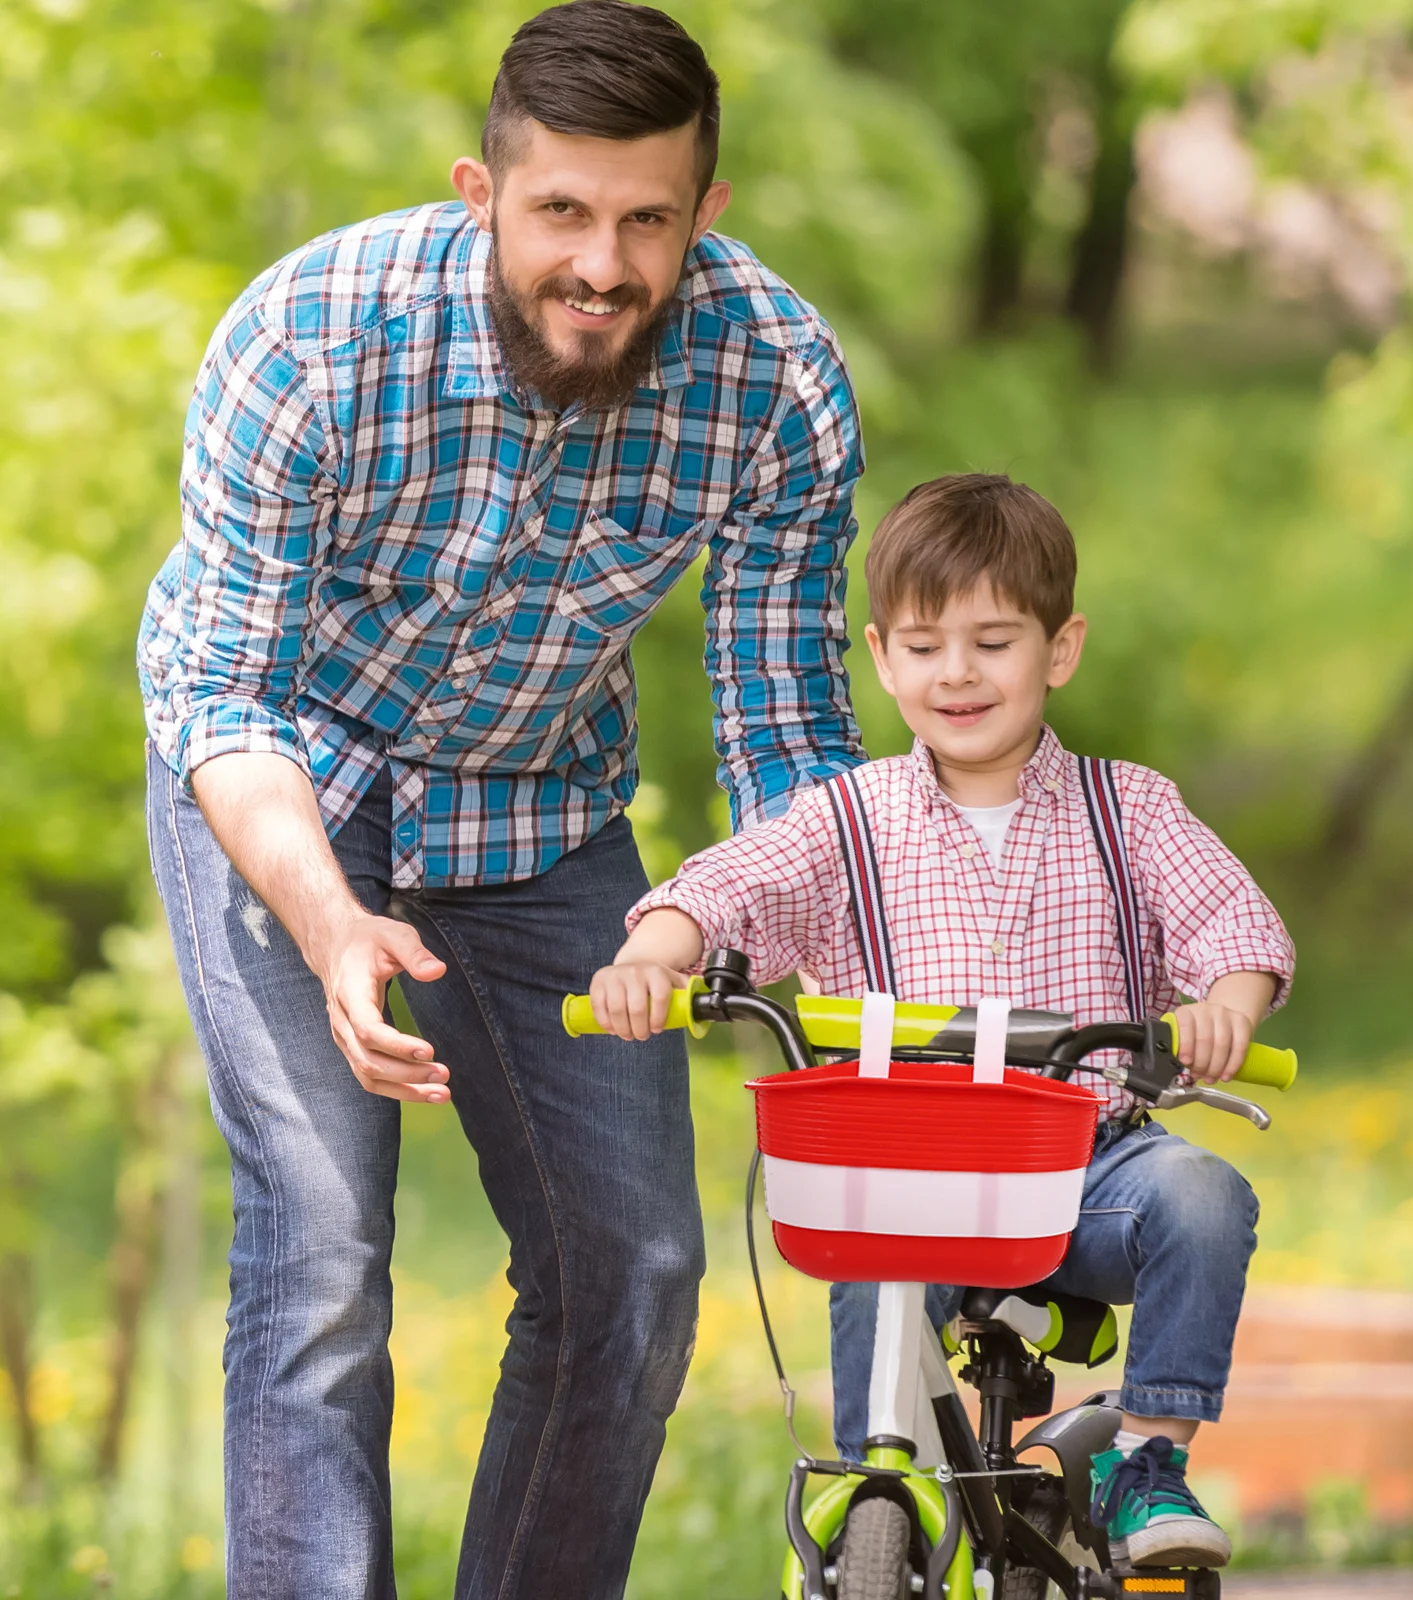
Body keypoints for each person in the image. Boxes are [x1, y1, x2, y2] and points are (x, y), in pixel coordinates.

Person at [137, 3, 865, 1595]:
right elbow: (226, 698)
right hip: (292, 771)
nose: (601, 264)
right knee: (323, 1250)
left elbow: (783, 725)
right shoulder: (310, 338)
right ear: (483, 193)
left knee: (638, 1273)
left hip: (542, 800)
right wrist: (330, 921)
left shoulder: (777, 384)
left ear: (706, 213)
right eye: (561, 212)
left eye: (646, 221)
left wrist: (830, 944)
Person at [588, 472, 1296, 1570]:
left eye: (993, 642)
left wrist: (1222, 1010)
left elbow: (1234, 927)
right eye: (924, 646)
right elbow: (732, 886)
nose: (957, 672)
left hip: (1081, 1172)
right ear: (882, 657)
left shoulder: (1131, 809)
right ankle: (880, 1490)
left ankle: (1145, 1460)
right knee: (872, 1261)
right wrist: (653, 956)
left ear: (1059, 650)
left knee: (1202, 1194)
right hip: (903, 1177)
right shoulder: (848, 818)